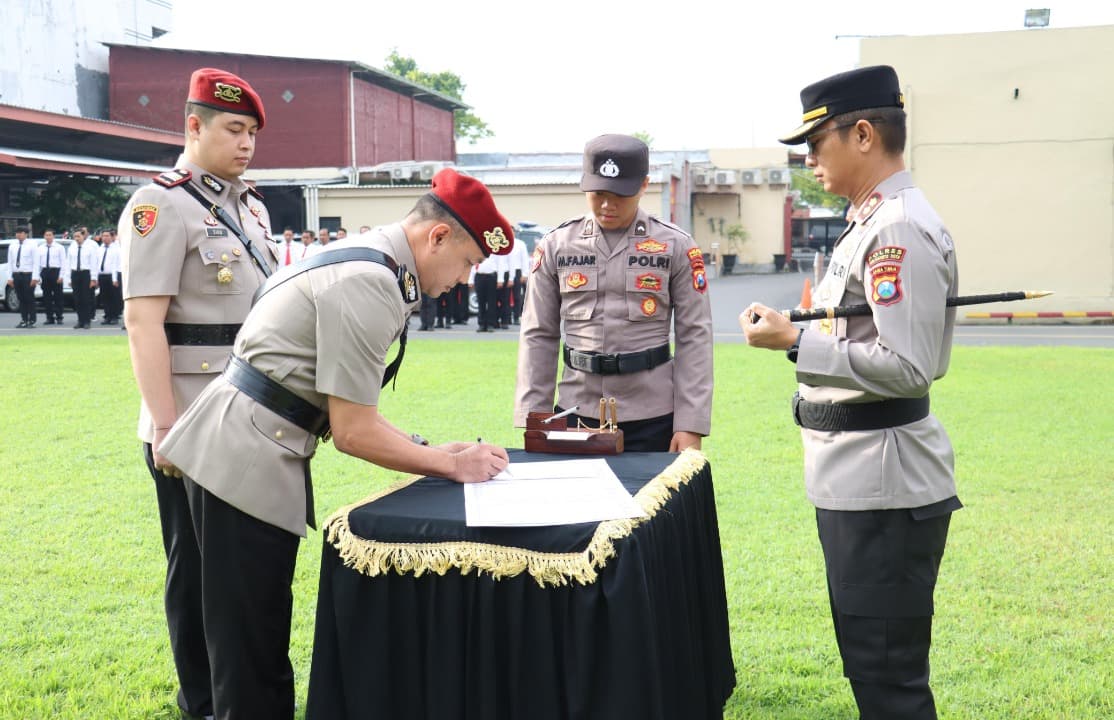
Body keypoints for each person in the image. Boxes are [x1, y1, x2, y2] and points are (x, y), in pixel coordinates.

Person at [158, 167, 513, 718]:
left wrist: (437, 452)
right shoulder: (371, 281)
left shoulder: (371, 259)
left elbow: (351, 412)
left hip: (242, 443)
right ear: (438, 236)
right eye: (468, 261)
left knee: (239, 635)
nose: (467, 279)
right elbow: (352, 431)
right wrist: (449, 466)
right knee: (252, 650)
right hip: (245, 455)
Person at [741, 65, 961, 720]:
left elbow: (910, 366)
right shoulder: (870, 221)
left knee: (888, 681)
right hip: (859, 481)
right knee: (872, 671)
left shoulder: (897, 228)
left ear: (863, 134)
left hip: (884, 488)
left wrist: (794, 343)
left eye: (817, 143)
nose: (810, 160)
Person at [118, 67, 275, 720]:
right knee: (201, 580)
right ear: (193, 126)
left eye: (252, 134)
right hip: (192, 418)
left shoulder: (251, 207)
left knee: (241, 580)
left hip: (250, 412)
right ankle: (207, 704)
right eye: (233, 129)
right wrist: (163, 424)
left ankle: (234, 701)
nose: (246, 144)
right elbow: (142, 319)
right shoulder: (162, 205)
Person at [514, 134, 713, 452]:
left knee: (652, 503)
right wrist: (534, 414)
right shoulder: (556, 245)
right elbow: (538, 333)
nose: (608, 205)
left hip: (654, 416)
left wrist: (690, 424)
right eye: (598, 193)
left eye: (621, 194)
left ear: (645, 185)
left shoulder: (676, 246)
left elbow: (695, 335)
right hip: (574, 412)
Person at [67, 228, 99, 328]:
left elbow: (94, 264)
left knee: (86, 298)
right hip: (75, 273)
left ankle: (87, 321)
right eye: (75, 236)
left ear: (83, 236)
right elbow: (68, 263)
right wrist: (69, 279)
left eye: (79, 236)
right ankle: (80, 320)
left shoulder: (89, 248)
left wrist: (93, 279)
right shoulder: (72, 248)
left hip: (86, 273)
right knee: (77, 299)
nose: (77, 238)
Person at [35, 229, 67, 324]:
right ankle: (49, 317)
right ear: (44, 236)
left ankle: (59, 316)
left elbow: (63, 262)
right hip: (45, 272)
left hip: (55, 271)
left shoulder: (59, 247)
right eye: (46, 235)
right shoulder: (40, 248)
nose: (48, 237)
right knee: (46, 296)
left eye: (50, 235)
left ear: (53, 236)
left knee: (58, 296)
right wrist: (38, 276)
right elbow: (37, 264)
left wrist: (61, 276)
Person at [7, 226, 37, 328]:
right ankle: (24, 319)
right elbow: (10, 262)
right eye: (17, 232)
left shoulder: (32, 245)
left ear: (26, 234)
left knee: (29, 298)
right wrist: (9, 277)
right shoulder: (13, 246)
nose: (18, 234)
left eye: (21, 232)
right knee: (21, 298)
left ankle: (32, 319)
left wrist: (35, 277)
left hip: (28, 275)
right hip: (17, 275)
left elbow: (36, 262)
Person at [97, 229, 123, 325]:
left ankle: (114, 316)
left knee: (114, 297)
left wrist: (115, 279)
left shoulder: (116, 249)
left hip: (113, 276)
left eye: (107, 236)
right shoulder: (99, 249)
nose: (105, 238)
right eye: (103, 236)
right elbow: (97, 264)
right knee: (105, 297)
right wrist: (96, 278)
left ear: (112, 237)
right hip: (102, 275)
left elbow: (116, 265)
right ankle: (107, 316)